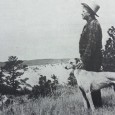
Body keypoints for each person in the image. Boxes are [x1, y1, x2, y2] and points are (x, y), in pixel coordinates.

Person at [78, 1, 103, 107]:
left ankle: (96, 107)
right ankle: (94, 107)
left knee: (93, 85)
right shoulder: (89, 24)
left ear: (89, 12)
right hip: (90, 59)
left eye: (83, 11)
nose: (81, 13)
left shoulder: (93, 24)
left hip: (92, 60)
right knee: (91, 84)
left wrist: (83, 60)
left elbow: (91, 45)